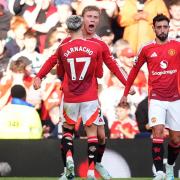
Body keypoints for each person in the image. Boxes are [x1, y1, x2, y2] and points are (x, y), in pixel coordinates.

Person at [34, 5, 135, 180]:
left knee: (101, 136)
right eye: (89, 16)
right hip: (82, 95)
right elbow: (52, 60)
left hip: (90, 94)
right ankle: (73, 171)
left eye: (96, 17)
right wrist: (40, 76)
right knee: (83, 133)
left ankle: (96, 164)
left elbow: (114, 66)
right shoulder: (68, 41)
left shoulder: (98, 43)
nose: (93, 20)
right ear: (82, 20)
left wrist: (127, 83)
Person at [34, 15, 104, 180]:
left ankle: (69, 162)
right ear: (82, 27)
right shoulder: (95, 46)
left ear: (67, 30)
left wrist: (39, 76)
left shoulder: (62, 47)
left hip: (70, 95)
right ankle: (91, 171)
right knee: (92, 134)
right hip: (90, 96)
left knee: (67, 131)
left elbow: (57, 70)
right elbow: (100, 72)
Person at [120, 14, 180, 180]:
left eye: (165, 27)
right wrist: (125, 93)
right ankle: (159, 172)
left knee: (176, 140)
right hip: (156, 98)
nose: (162, 30)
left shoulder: (177, 46)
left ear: (169, 28)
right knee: (158, 131)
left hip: (175, 98)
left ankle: (170, 166)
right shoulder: (146, 48)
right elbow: (133, 71)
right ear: (153, 28)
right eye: (159, 27)